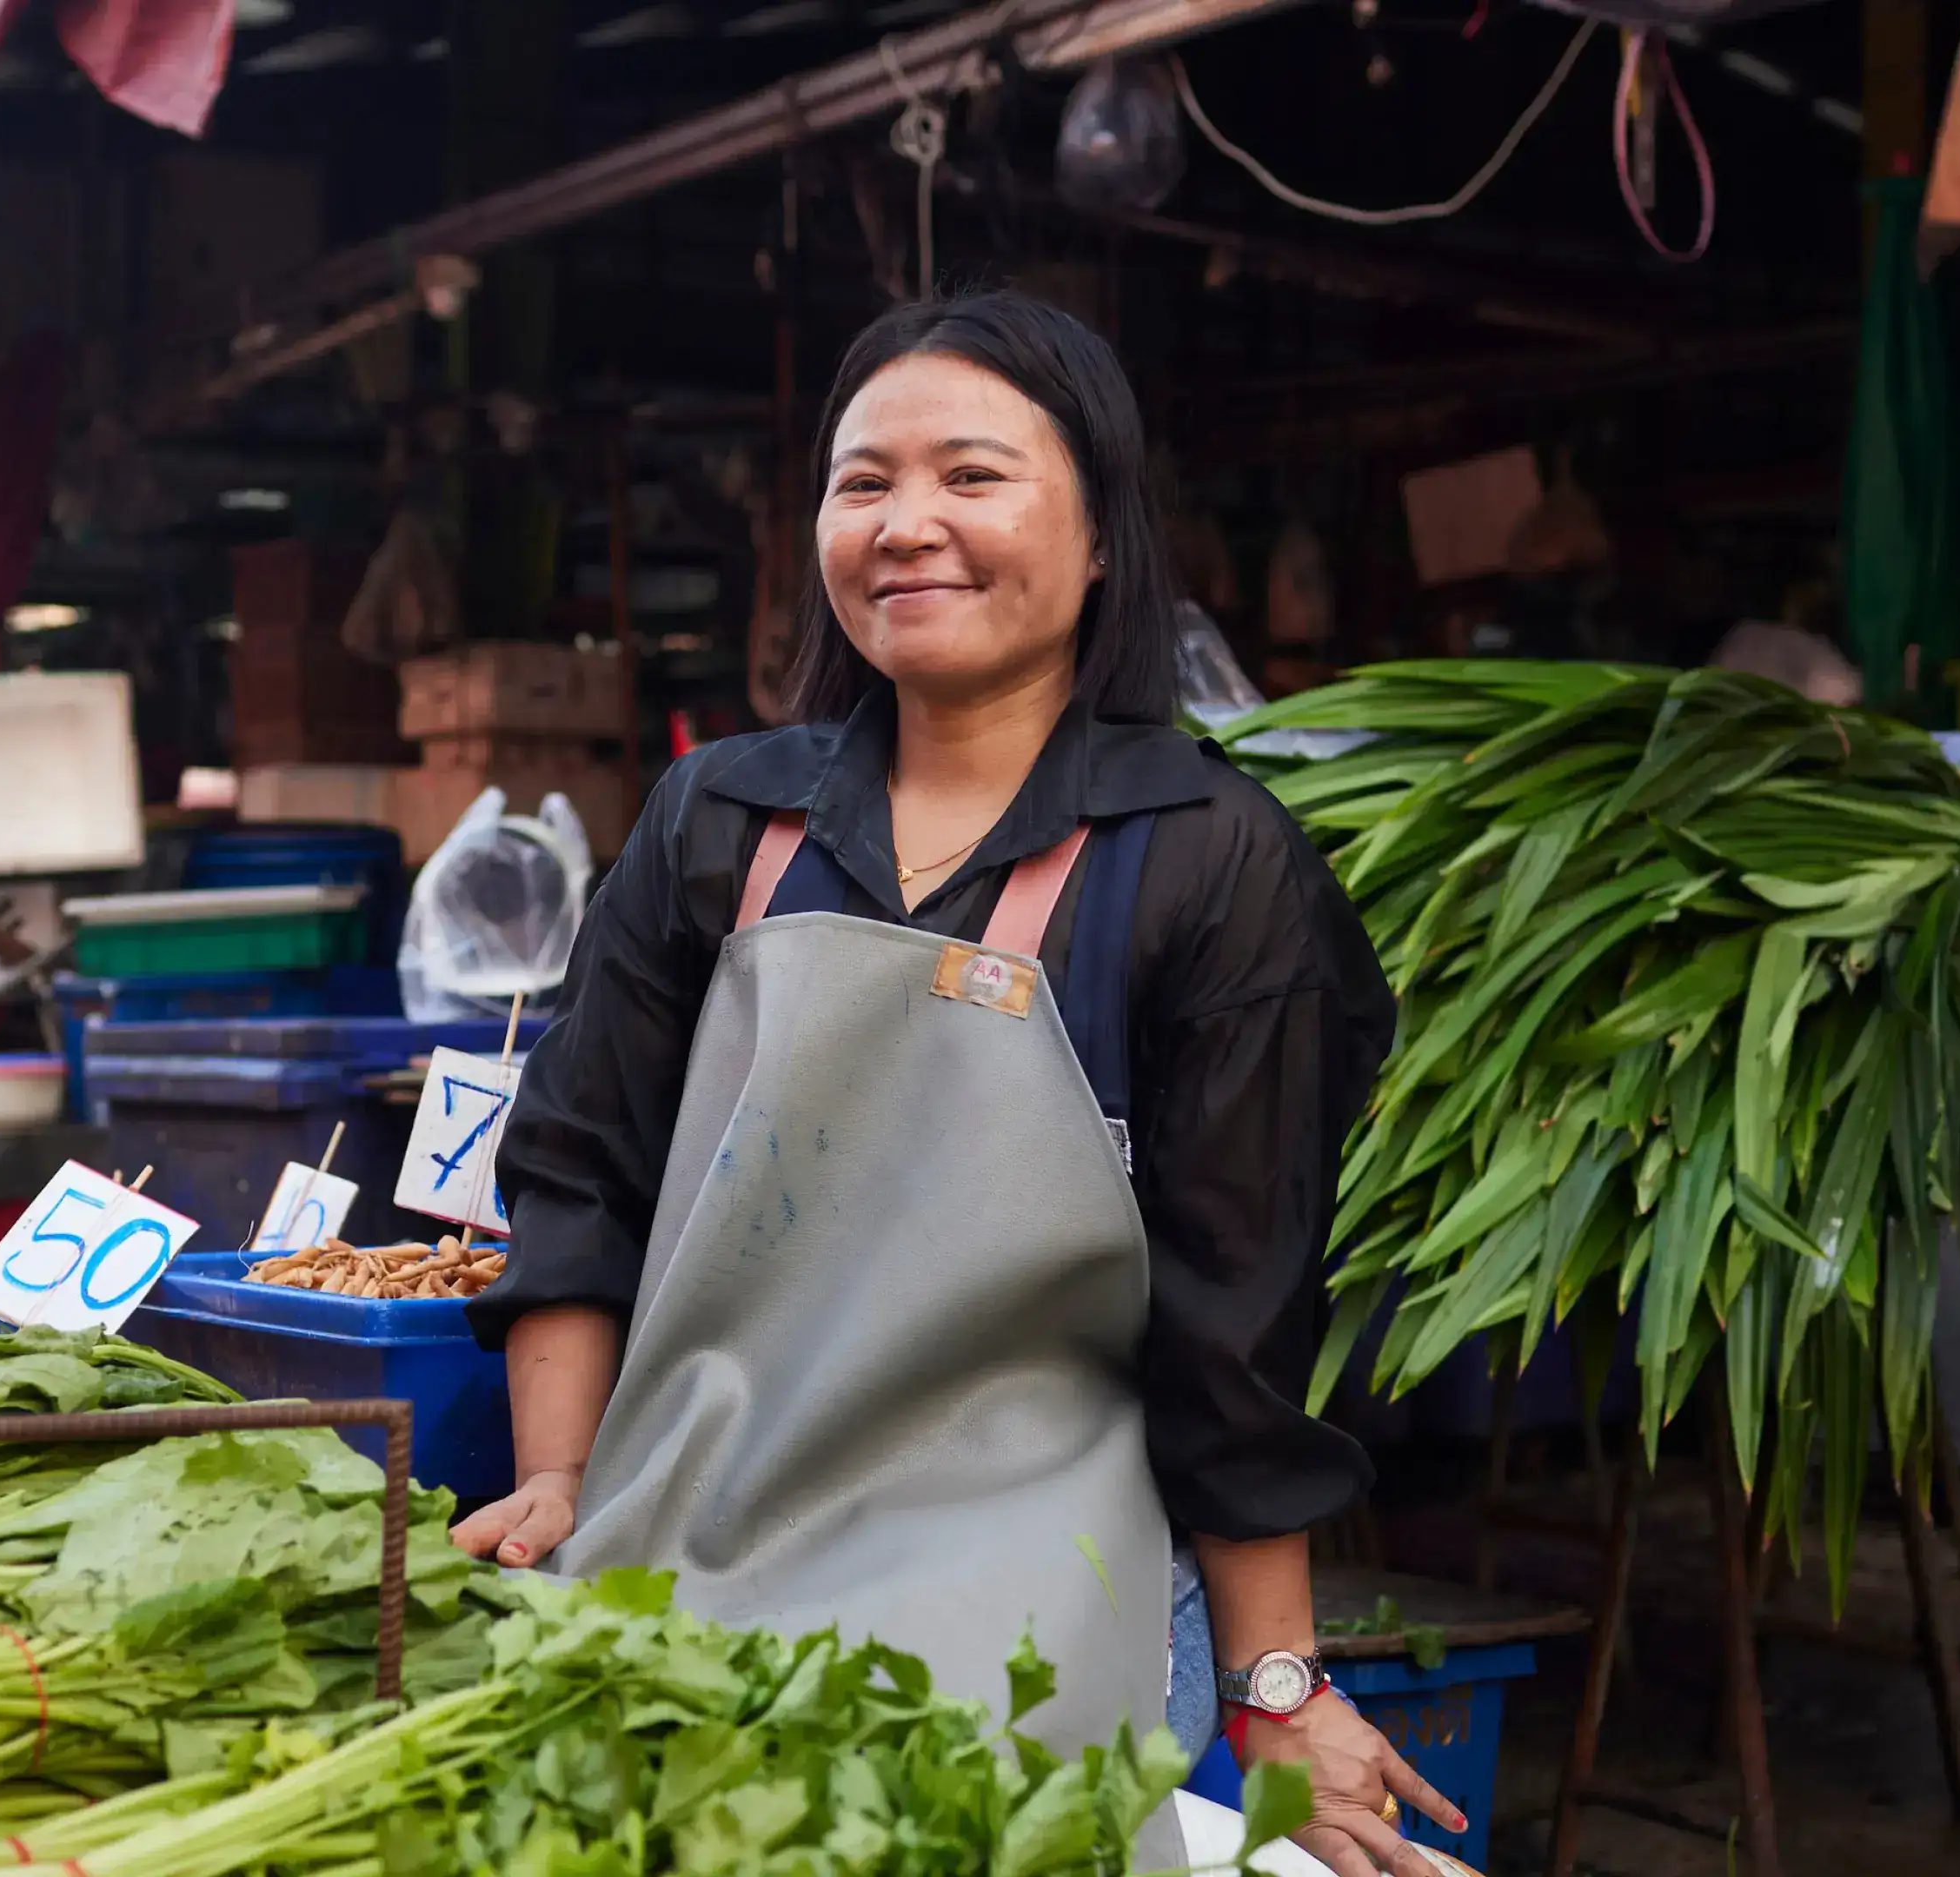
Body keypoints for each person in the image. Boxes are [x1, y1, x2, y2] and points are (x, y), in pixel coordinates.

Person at [454, 293, 1452, 1875]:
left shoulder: (1211, 867)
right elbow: (577, 1173)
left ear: (1106, 533)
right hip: (687, 1531)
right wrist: (560, 1482)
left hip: (1047, 1574)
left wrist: (1278, 1690)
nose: (909, 525)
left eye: (972, 477)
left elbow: (1235, 1323)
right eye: (865, 484)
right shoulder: (716, 824)